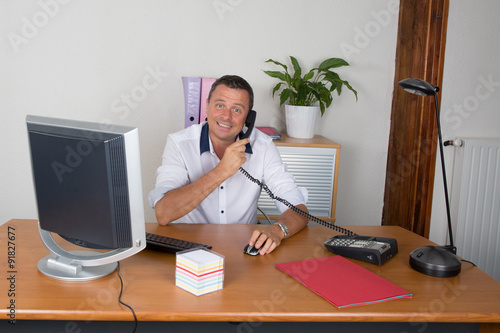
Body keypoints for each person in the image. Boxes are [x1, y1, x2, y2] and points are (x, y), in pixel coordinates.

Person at [148, 75, 309, 255]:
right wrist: (222, 171)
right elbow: (163, 213)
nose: (226, 116)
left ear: (248, 117)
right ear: (207, 105)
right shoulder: (179, 143)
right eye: (220, 105)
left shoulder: (263, 146)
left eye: (237, 110)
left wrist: (278, 230)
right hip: (188, 247)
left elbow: (298, 208)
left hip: (242, 247)